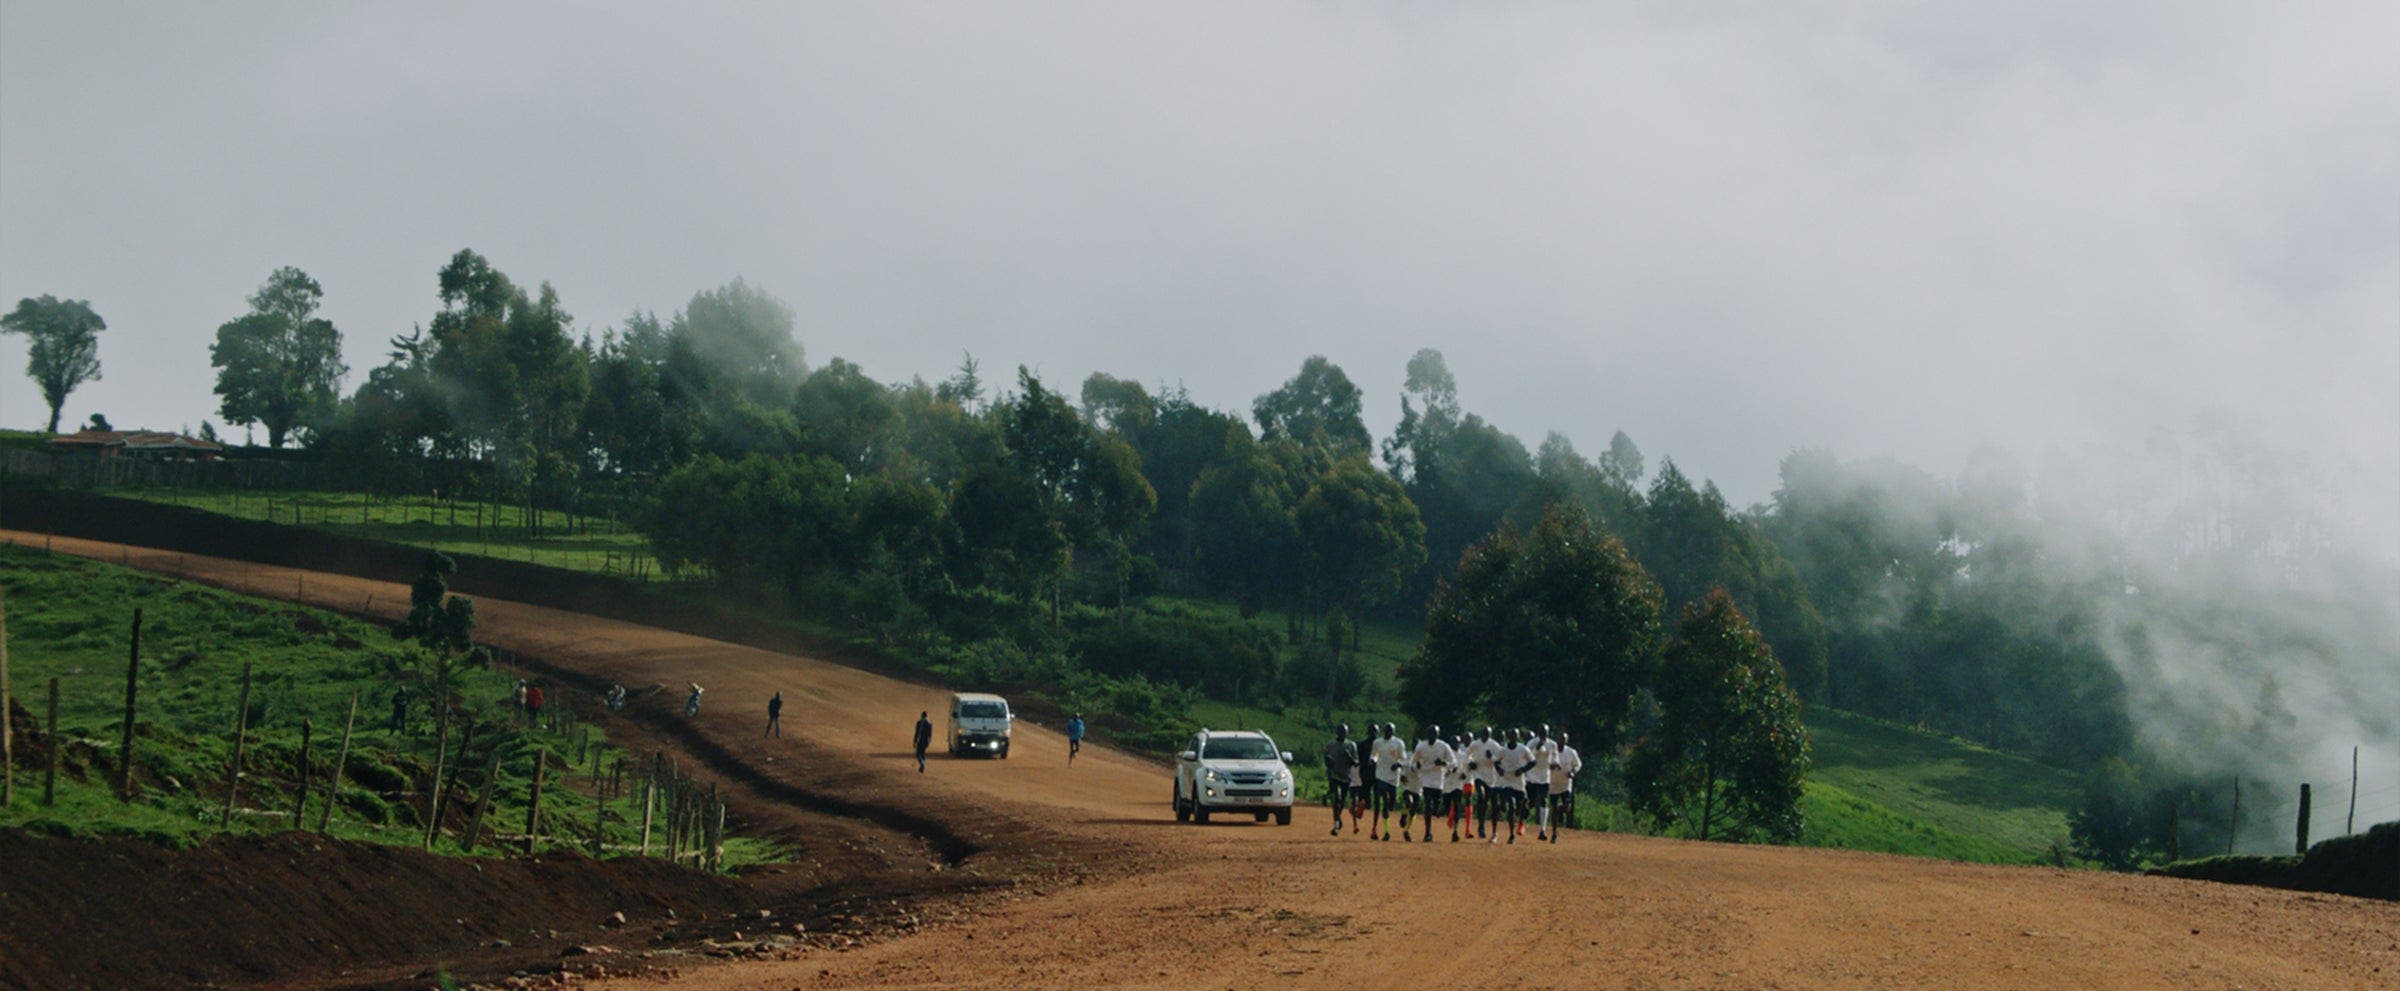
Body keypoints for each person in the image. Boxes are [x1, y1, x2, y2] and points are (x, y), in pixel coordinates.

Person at [1412, 724, 1455, 842]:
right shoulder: (1421, 746)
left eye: (1434, 734)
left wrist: (1443, 763)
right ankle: (1428, 832)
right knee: (1427, 805)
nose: (1432, 736)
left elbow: (1453, 762)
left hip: (1438, 780)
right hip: (1426, 779)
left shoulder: (1443, 746)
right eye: (1430, 733)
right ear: (1427, 735)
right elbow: (1413, 761)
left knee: (1435, 808)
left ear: (1438, 735)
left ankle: (1438, 807)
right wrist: (1416, 766)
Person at [1371, 723, 1407, 841]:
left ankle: (1391, 806)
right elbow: (1374, 755)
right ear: (1383, 730)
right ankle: (1386, 832)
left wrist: (1398, 764)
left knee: (1391, 802)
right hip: (1381, 774)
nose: (1388, 732)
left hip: (1393, 777)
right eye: (1387, 730)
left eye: (1391, 730)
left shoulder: (1398, 743)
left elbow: (1403, 758)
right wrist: (1373, 760)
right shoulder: (1377, 742)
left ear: (1394, 731)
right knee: (1385, 803)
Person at [1321, 724, 1359, 836]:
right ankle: (1336, 825)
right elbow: (1326, 758)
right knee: (1336, 798)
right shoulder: (1330, 745)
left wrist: (1349, 757)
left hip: (1346, 777)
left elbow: (1356, 763)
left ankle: (1338, 817)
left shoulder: (1351, 745)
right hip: (1333, 775)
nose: (1342, 734)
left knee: (1341, 802)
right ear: (1337, 732)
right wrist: (1328, 762)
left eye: (1345, 732)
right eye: (1341, 732)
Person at [1498, 728, 1533, 844]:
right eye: (1512, 735)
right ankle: (1512, 835)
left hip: (1519, 782)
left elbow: (1533, 762)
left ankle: (1522, 822)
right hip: (1507, 781)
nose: (1514, 737)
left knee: (1521, 807)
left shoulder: (1523, 749)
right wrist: (1499, 770)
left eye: (1516, 735)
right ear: (1508, 737)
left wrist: (1522, 770)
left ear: (1518, 737)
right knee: (1511, 806)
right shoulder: (1503, 750)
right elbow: (1496, 761)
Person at [1526, 724, 1557, 842]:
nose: (1543, 735)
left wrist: (1554, 764)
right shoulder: (1531, 743)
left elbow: (1555, 759)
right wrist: (1537, 748)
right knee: (1532, 802)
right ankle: (1525, 810)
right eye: (1542, 732)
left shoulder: (1552, 744)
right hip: (1532, 776)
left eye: (1546, 733)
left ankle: (1542, 830)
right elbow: (1528, 758)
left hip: (1545, 777)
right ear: (1538, 732)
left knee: (1544, 801)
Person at [1551, 730, 1582, 841]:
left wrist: (1573, 772)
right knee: (1553, 808)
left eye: (1563, 739)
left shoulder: (1571, 752)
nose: (1561, 741)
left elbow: (1578, 764)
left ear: (1566, 741)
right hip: (1553, 784)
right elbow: (1545, 764)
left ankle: (1561, 809)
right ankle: (1554, 834)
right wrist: (1552, 766)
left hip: (1565, 784)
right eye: (1560, 739)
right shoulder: (1551, 751)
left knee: (1567, 807)